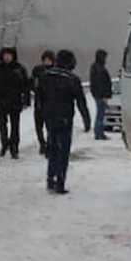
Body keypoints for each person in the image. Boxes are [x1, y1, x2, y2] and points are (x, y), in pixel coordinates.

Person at [37, 49, 90, 194]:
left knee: (52, 147)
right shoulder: (72, 79)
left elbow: (39, 98)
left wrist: (41, 116)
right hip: (65, 118)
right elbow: (81, 101)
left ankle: (50, 177)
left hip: (50, 117)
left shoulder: (45, 76)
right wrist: (86, 119)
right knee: (63, 150)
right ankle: (60, 180)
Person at [0, 46, 29, 159]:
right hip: (1, 101)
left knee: (15, 126)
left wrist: (26, 99)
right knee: (2, 125)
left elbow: (26, 85)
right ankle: (4, 144)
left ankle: (14, 147)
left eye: (9, 55)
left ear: (13, 56)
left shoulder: (19, 69)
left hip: (15, 101)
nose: (7, 57)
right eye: (5, 55)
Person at [30, 50, 56, 155]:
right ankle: (42, 143)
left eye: (49, 60)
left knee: (50, 125)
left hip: (51, 102)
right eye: (45, 60)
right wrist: (34, 87)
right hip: (39, 101)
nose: (47, 62)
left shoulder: (55, 71)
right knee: (38, 125)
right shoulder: (37, 70)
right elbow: (31, 83)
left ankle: (50, 144)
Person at [89, 48, 112, 140]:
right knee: (100, 114)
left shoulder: (95, 67)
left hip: (98, 94)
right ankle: (99, 133)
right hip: (100, 95)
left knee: (100, 114)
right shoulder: (99, 68)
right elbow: (101, 83)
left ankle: (99, 132)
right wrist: (104, 95)